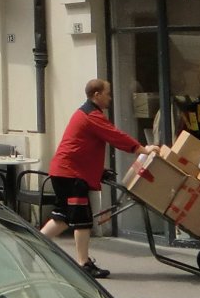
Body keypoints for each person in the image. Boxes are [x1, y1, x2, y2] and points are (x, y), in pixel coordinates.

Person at [40, 79, 158, 279]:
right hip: (71, 174)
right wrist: (143, 149)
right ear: (97, 95)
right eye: (108, 94)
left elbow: (82, 147)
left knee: (63, 217)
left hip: (64, 171)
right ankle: (83, 263)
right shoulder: (91, 115)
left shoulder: (84, 113)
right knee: (82, 220)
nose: (110, 98)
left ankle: (31, 245)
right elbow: (115, 136)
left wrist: (98, 170)